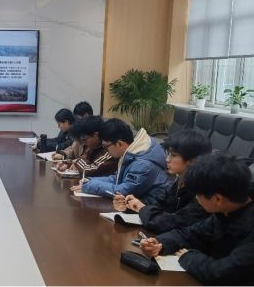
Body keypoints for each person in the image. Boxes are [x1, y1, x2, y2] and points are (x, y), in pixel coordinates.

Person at [140, 153, 254, 285]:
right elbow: (190, 234)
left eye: (198, 195)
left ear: (217, 199)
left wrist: (188, 257)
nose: (196, 199)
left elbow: (222, 274)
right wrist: (160, 244)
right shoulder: (225, 211)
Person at [113, 130, 211, 233]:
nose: (167, 160)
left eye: (173, 155)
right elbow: (158, 206)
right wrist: (130, 205)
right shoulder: (177, 183)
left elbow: (172, 223)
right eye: (168, 154)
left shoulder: (202, 194)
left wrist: (142, 208)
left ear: (192, 161)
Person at [72, 118, 168, 203]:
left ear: (120, 144)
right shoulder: (131, 153)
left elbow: (123, 191)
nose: (106, 151)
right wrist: (90, 180)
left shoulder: (143, 164)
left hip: (151, 208)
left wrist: (89, 186)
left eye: (106, 147)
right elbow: (118, 178)